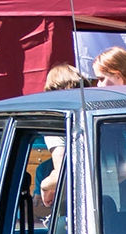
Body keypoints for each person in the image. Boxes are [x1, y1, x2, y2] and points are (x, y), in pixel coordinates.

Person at [39, 64, 84, 207]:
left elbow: (63, 172)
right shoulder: (96, 123)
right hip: (110, 209)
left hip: (77, 211)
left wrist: (45, 185)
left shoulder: (56, 126)